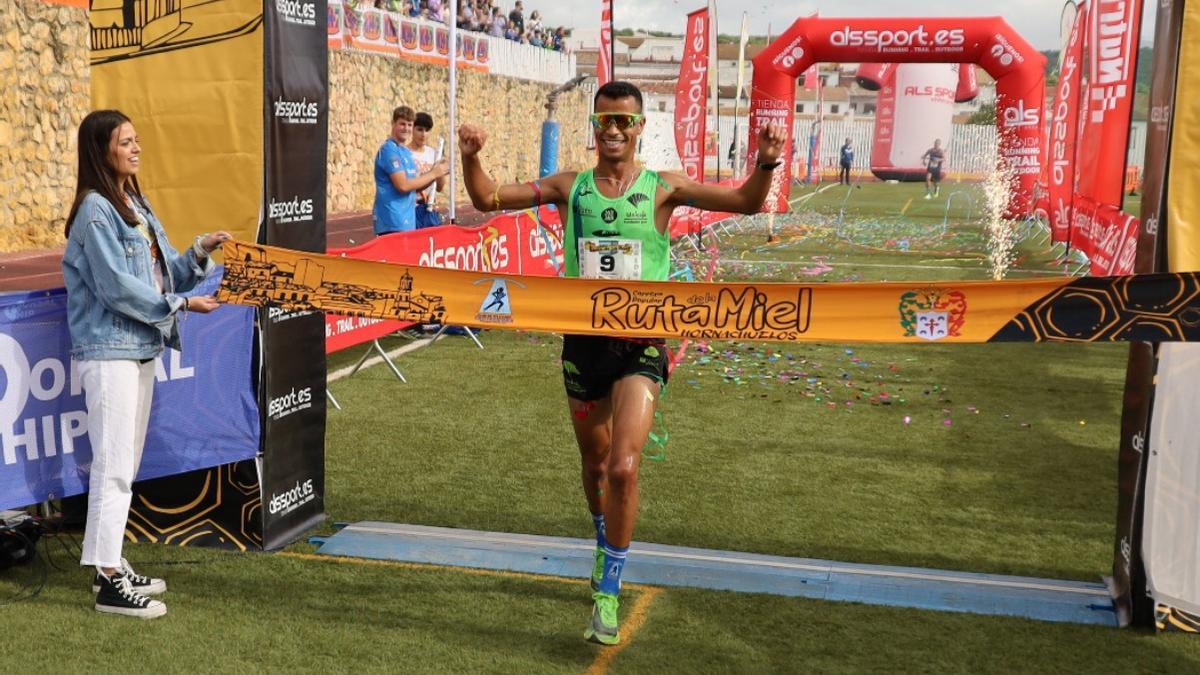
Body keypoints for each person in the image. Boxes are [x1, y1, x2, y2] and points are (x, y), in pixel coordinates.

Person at [458, 81, 785, 647]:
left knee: (624, 468)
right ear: (593, 125)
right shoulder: (569, 187)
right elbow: (488, 199)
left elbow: (746, 203)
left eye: (623, 121)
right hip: (584, 344)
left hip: (644, 343)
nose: (613, 129)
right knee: (595, 464)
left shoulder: (665, 188)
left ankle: (607, 590)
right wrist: (471, 158)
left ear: (640, 128)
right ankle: (602, 536)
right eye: (604, 119)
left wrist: (765, 162)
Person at [61, 110, 229, 619]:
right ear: (101, 150)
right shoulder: (94, 211)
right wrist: (179, 306)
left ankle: (108, 564)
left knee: (123, 468)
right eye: (125, 142)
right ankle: (109, 580)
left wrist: (199, 252)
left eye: (137, 140)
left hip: (138, 350)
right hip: (109, 353)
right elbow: (117, 287)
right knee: (113, 468)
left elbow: (163, 275)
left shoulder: (133, 202)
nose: (136, 149)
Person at [373, 105, 449, 235]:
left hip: (408, 222)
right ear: (393, 124)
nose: (406, 128)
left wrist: (438, 173)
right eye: (402, 124)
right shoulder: (389, 150)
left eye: (409, 124)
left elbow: (416, 185)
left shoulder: (405, 152)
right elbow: (402, 185)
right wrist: (433, 173)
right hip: (392, 223)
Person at [408, 111, 447, 229]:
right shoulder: (405, 154)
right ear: (412, 130)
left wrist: (441, 170)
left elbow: (440, 187)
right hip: (409, 210)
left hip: (429, 209)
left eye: (427, 130)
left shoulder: (433, 154)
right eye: (419, 129)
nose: (423, 134)